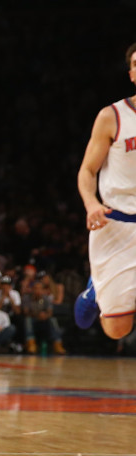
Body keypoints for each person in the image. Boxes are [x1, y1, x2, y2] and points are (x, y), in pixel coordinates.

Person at [74, 42, 136, 343]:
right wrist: (91, 203)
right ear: (132, 74)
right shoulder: (113, 116)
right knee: (117, 329)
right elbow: (87, 171)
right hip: (118, 224)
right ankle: (94, 291)